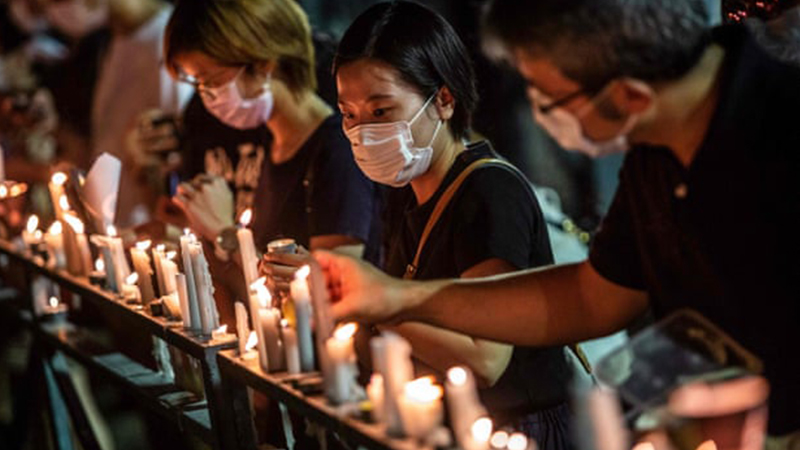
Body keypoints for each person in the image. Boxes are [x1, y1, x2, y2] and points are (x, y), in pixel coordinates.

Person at [315, 0, 800, 438]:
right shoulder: (654, 150)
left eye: (548, 96)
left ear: (629, 96)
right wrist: (396, 296)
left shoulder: (777, 137)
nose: (539, 111)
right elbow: (593, 297)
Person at [333, 2, 574, 446]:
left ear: (443, 100)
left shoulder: (487, 193)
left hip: (514, 432)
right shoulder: (406, 193)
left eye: (381, 111)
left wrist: (382, 303)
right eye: (349, 114)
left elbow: (487, 361)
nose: (362, 131)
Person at [163, 0, 379, 323]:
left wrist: (226, 235)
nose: (206, 95)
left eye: (211, 80)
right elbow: (259, 290)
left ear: (264, 63)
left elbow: (333, 301)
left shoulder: (336, 152)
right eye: (198, 84)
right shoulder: (269, 139)